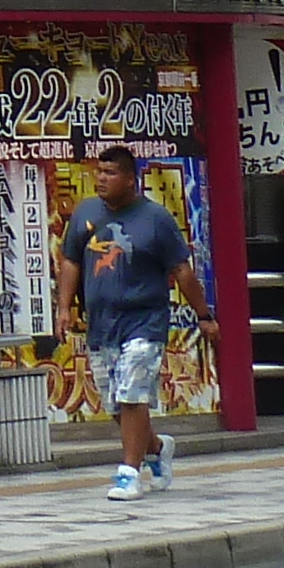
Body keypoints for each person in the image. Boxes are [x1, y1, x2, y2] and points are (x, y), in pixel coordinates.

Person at [54, 143, 208, 503]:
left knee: (132, 394)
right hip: (102, 325)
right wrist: (64, 307)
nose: (101, 180)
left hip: (144, 323)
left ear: (129, 179)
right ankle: (156, 449)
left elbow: (182, 271)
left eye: (110, 174)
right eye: (99, 172)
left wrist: (204, 315)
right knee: (116, 405)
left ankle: (128, 474)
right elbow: (71, 261)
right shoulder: (86, 213)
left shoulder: (156, 219)